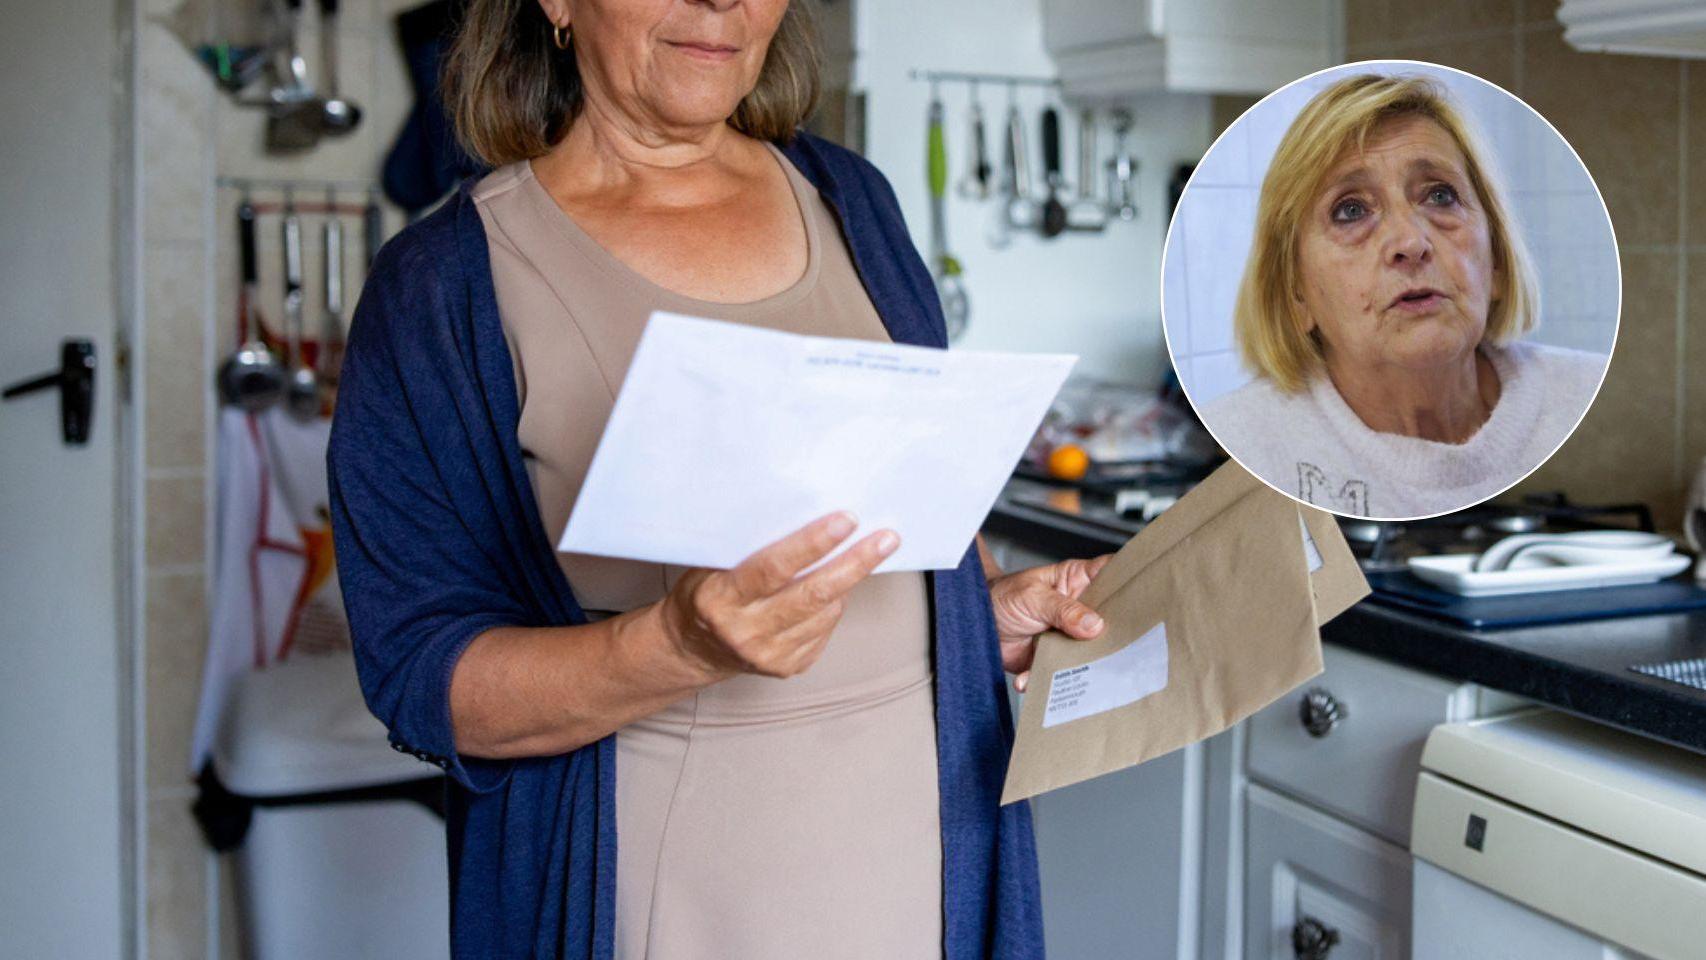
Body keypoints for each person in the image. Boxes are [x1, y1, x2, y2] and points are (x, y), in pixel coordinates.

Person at [327, 1, 1110, 957]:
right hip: (667, 887)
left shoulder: (854, 199)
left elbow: (892, 492)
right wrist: (678, 646)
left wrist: (978, 614)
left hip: (926, 852)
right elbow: (423, 675)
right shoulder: (442, 285)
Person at [1201, 74, 1606, 519]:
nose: (1411, 242)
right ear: (1296, 292)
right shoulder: (1240, 447)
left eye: (1440, 196)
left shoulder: (1591, 397)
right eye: (1351, 210)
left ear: (1496, 260)